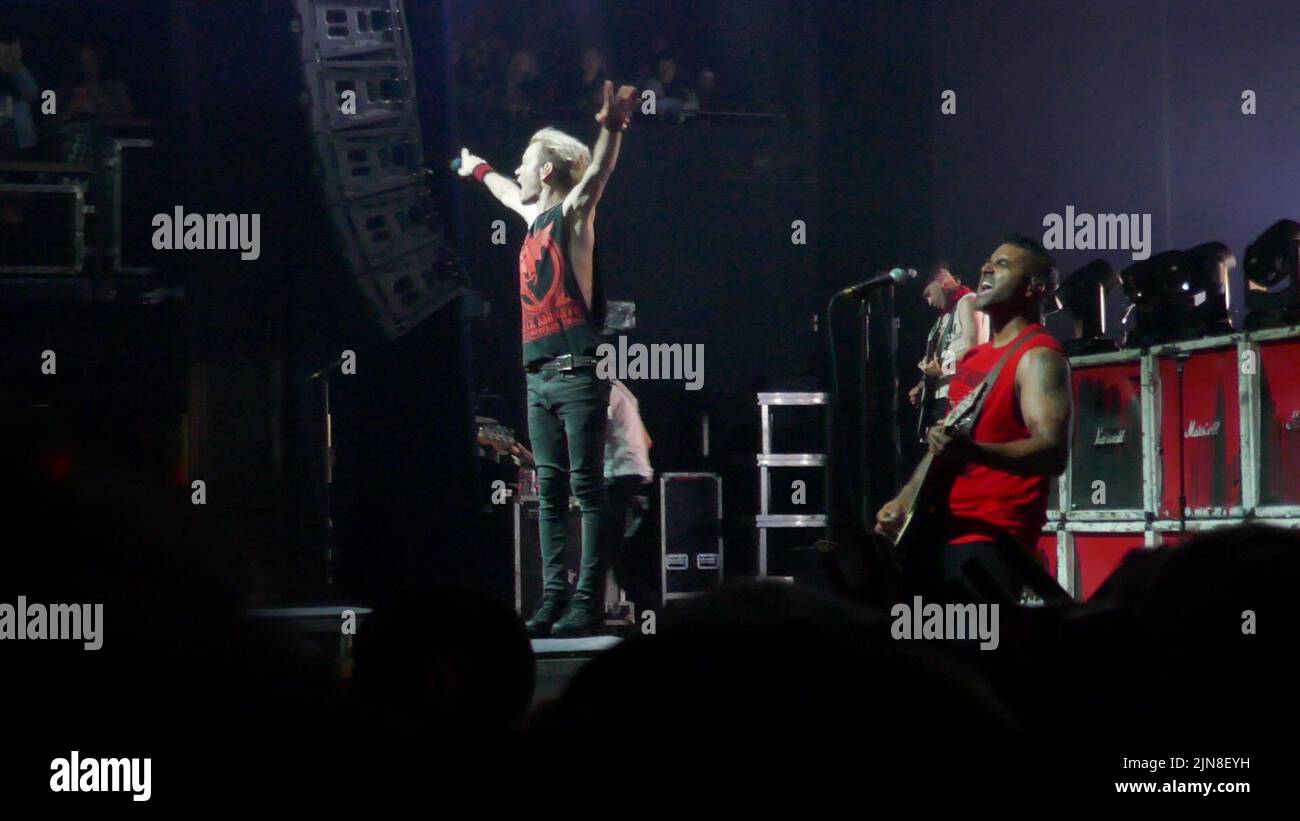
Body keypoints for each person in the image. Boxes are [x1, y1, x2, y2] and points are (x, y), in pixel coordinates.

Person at [458, 80, 638, 637]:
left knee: (587, 489)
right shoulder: (532, 217)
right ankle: (552, 598)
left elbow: (596, 179)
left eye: (524, 163)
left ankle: (586, 601)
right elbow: (506, 193)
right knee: (550, 489)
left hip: (577, 375)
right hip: (538, 378)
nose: (519, 171)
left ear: (547, 173)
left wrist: (611, 127)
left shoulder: (573, 217)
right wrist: (478, 168)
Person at [876, 234, 1073, 605]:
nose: (985, 268)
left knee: (976, 656)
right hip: (940, 531)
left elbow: (1052, 451)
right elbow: (945, 447)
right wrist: (903, 502)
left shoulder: (1039, 356)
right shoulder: (975, 358)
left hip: (991, 539)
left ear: (1035, 287)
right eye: (987, 262)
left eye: (1002, 265)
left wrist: (974, 452)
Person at [908, 264, 986, 441]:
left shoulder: (968, 302)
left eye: (928, 294)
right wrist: (923, 385)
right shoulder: (943, 317)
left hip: (961, 399)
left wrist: (942, 370)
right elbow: (944, 356)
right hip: (941, 399)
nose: (929, 301)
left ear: (941, 280)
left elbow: (976, 353)